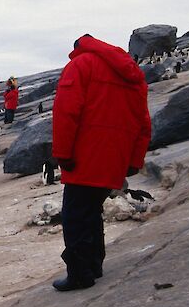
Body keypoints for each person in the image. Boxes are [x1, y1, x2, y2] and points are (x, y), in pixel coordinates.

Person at [51, 34, 151, 292]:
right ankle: (94, 264)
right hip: (115, 157)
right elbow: (143, 122)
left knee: (75, 216)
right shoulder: (131, 73)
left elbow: (66, 111)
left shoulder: (81, 65)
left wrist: (63, 153)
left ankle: (80, 273)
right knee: (92, 210)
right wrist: (133, 160)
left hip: (85, 155)